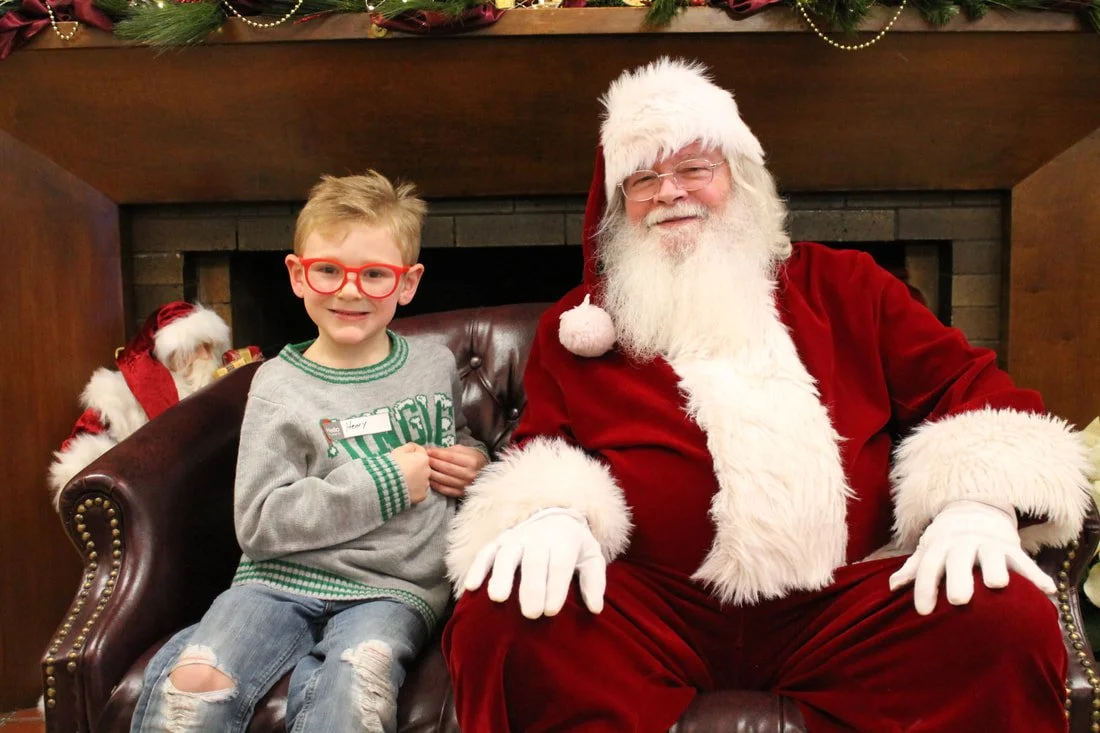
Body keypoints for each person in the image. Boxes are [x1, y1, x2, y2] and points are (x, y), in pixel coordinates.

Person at [441, 58, 1093, 732]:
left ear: (739, 178)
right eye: (643, 178)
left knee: (1004, 618)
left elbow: (974, 388)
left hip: (841, 607)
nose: (670, 192)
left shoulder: (850, 287)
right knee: (501, 619)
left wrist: (977, 503)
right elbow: (543, 447)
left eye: (694, 168)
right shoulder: (580, 327)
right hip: (654, 611)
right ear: (619, 206)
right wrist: (551, 513)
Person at [130, 171, 488, 733]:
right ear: (299, 275)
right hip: (277, 581)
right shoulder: (277, 385)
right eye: (329, 270)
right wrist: (385, 483)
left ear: (408, 283)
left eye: (375, 274)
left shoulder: (432, 366)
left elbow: (456, 438)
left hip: (391, 589)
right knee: (195, 684)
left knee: (356, 689)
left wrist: (475, 464)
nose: (349, 291)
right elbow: (258, 523)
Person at [48, 301, 230, 510]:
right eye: (197, 348)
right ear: (171, 355)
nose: (207, 357)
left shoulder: (217, 387)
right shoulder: (119, 398)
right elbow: (76, 457)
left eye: (210, 347)